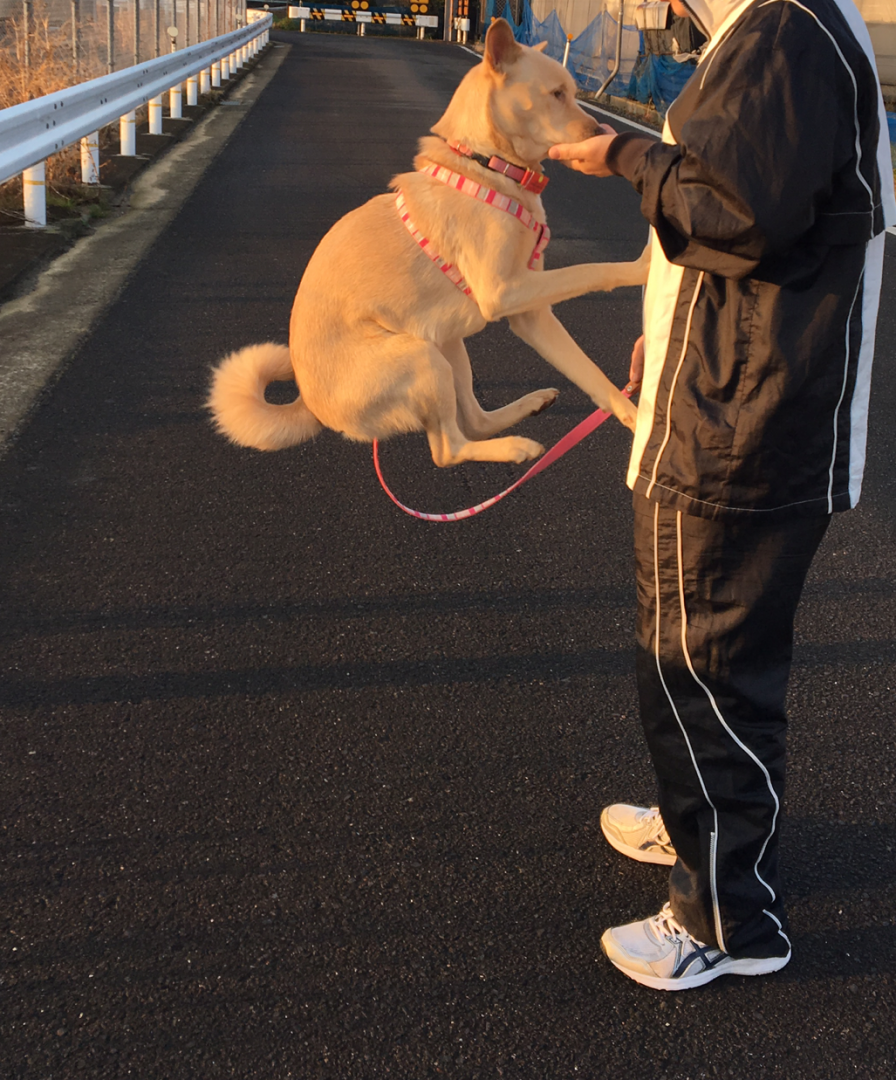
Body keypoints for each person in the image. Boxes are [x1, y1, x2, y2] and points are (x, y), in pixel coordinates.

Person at [549, 0, 896, 990]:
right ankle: (692, 817)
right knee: (708, 654)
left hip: (742, 425)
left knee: (700, 663)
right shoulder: (782, 25)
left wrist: (617, 157)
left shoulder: (782, 29)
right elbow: (747, 225)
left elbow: (728, 212)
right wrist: (663, 335)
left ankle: (727, 918)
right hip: (734, 397)